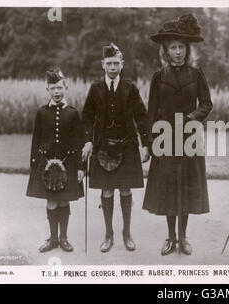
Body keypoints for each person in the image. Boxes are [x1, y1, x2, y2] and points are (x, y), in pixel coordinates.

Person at [143, 14, 213, 256]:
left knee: (186, 188)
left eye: (181, 47)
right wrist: (149, 143)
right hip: (164, 140)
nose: (178, 52)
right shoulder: (159, 77)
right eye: (173, 47)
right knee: (169, 189)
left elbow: (206, 104)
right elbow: (151, 113)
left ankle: (183, 237)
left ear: (187, 49)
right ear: (165, 50)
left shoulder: (196, 74)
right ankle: (170, 237)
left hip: (190, 139)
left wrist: (193, 118)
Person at [81, 43, 150, 253]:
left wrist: (146, 144)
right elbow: (87, 118)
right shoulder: (96, 88)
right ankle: (108, 234)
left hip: (127, 146)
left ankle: (126, 234)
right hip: (102, 148)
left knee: (126, 189)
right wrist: (88, 140)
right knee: (107, 189)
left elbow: (142, 116)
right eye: (109, 63)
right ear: (103, 65)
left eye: (116, 63)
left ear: (122, 64)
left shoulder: (130, 88)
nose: (112, 67)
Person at [26, 67, 84, 253]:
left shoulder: (73, 113)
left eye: (59, 88)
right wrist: (34, 164)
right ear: (48, 90)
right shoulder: (41, 113)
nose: (57, 92)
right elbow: (36, 140)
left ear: (65, 88)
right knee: (51, 201)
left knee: (64, 201)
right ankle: (52, 239)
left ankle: (64, 238)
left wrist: (81, 167)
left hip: (68, 164)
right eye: (53, 88)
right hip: (46, 165)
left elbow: (79, 141)